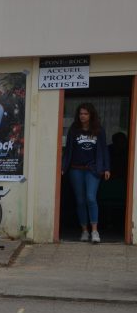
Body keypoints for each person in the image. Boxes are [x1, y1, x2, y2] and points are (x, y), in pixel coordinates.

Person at [61, 103, 110, 243]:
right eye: (81, 113)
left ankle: (94, 231)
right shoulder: (74, 129)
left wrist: (107, 168)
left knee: (90, 198)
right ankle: (84, 231)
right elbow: (68, 149)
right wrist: (63, 166)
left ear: (91, 115)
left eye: (86, 114)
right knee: (80, 201)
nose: (82, 116)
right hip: (75, 169)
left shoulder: (98, 130)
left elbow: (104, 149)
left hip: (93, 169)